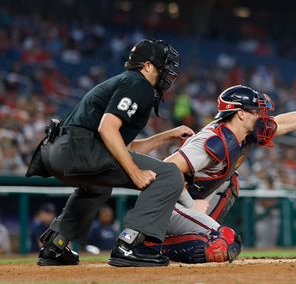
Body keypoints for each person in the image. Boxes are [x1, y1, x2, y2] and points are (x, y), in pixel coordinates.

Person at [150, 86, 296, 263]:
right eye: (256, 112)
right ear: (241, 114)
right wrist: (191, 205)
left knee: (231, 183)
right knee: (225, 243)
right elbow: (167, 169)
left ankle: (195, 237)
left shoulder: (243, 133)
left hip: (183, 205)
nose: (262, 117)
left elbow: (280, 124)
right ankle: (150, 247)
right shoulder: (213, 139)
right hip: (166, 207)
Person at [25, 39, 193, 267]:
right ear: (146, 66)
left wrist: (166, 136)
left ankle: (56, 245)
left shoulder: (126, 82)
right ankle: (129, 244)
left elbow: (122, 148)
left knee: (98, 187)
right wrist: (136, 173)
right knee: (169, 175)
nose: (168, 72)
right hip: (79, 149)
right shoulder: (138, 84)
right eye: (164, 65)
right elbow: (107, 128)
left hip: (57, 150)